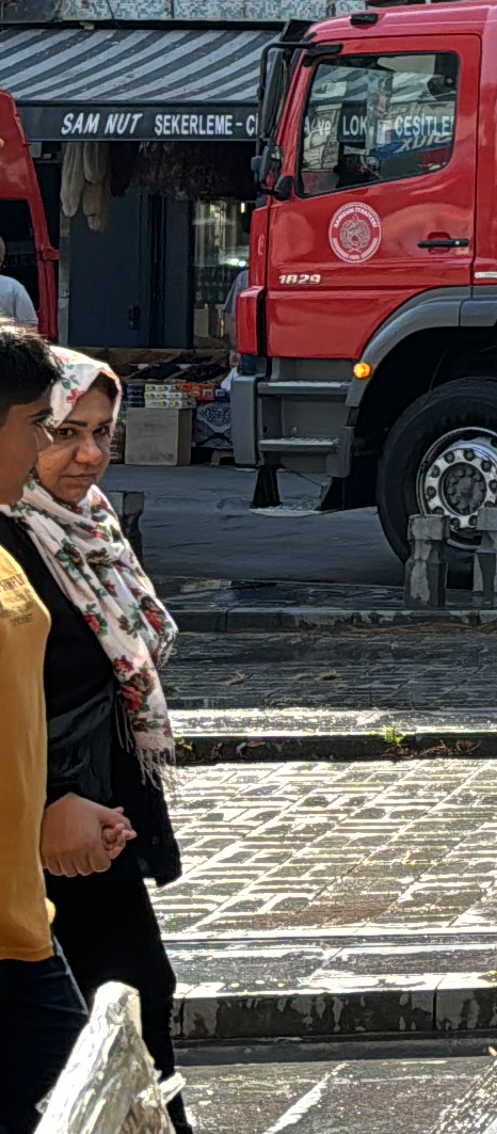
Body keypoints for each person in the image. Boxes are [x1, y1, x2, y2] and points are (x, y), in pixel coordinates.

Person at [0, 354, 185, 1130]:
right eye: (57, 431)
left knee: (135, 1005)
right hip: (38, 830)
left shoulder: (91, 526)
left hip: (93, 816)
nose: (85, 453)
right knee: (88, 1048)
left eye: (101, 434)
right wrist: (47, 806)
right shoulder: (13, 531)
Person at [0, 327, 84, 1132]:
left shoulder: (12, 541)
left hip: (22, 913)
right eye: (34, 423)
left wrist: (57, 794)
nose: (42, 446)